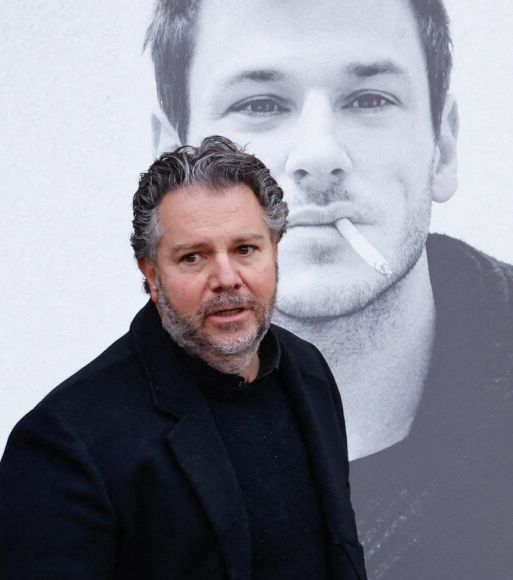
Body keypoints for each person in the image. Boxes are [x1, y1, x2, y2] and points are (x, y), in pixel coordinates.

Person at [146, 1, 513, 578]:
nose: (319, 155)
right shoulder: (86, 454)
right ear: (173, 165)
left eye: (370, 99)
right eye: (260, 104)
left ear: (442, 145)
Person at [0, 136, 367, 579]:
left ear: (275, 251)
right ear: (151, 273)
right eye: (193, 257)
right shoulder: (67, 439)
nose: (227, 278)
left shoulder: (309, 371)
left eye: (245, 249)